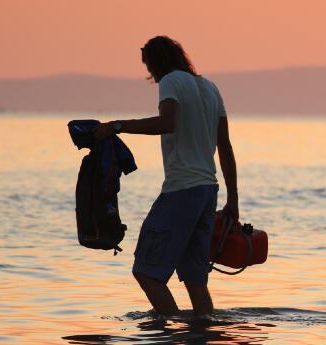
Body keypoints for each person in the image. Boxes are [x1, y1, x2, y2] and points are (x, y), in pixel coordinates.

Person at [93, 36, 238, 317]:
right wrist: (233, 200)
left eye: (149, 67)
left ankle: (170, 340)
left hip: (181, 191)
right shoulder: (211, 88)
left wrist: (117, 126)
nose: (151, 75)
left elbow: (168, 123)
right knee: (196, 282)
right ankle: (199, 341)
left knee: (146, 272)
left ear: (157, 63)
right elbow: (226, 147)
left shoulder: (171, 81)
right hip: (208, 191)